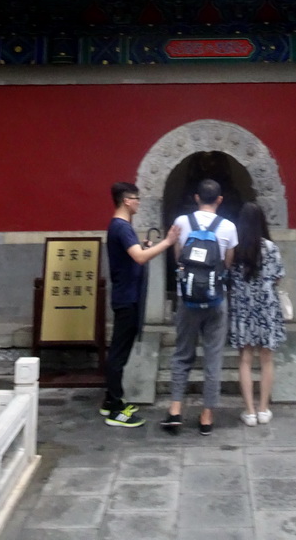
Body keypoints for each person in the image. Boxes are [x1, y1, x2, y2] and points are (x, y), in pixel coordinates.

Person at [161, 178, 238, 436]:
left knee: (182, 354)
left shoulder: (182, 223)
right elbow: (228, 264)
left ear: (196, 198)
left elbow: (177, 259)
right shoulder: (228, 227)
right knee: (213, 356)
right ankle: (206, 416)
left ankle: (175, 410)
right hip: (216, 300)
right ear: (219, 200)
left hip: (188, 299)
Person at [103, 182, 179, 428]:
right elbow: (139, 257)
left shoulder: (121, 227)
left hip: (127, 295)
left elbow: (135, 256)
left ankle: (110, 400)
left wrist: (145, 248)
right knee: (118, 353)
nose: (138, 202)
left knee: (120, 351)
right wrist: (167, 242)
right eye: (136, 198)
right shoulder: (122, 227)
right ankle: (115, 409)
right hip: (126, 298)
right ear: (126, 200)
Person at [228, 201, 286, 426]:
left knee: (244, 359)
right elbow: (278, 276)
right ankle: (263, 409)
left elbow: (230, 279)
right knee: (267, 359)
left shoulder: (236, 249)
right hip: (267, 307)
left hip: (243, 308)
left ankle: (249, 411)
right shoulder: (270, 248)